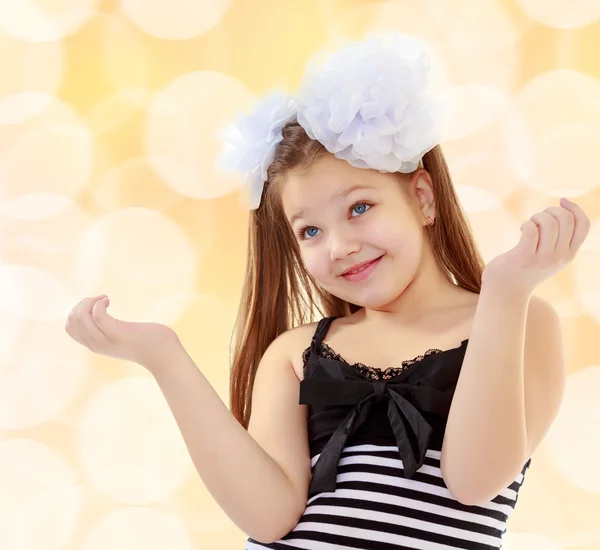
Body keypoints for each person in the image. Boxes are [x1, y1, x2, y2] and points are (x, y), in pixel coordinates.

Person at [65, 32, 590, 549]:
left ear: (423, 198)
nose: (338, 247)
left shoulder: (516, 319)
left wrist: (504, 292)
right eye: (309, 231)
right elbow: (267, 517)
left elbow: (475, 482)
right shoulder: (296, 354)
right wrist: (164, 356)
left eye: (359, 208)